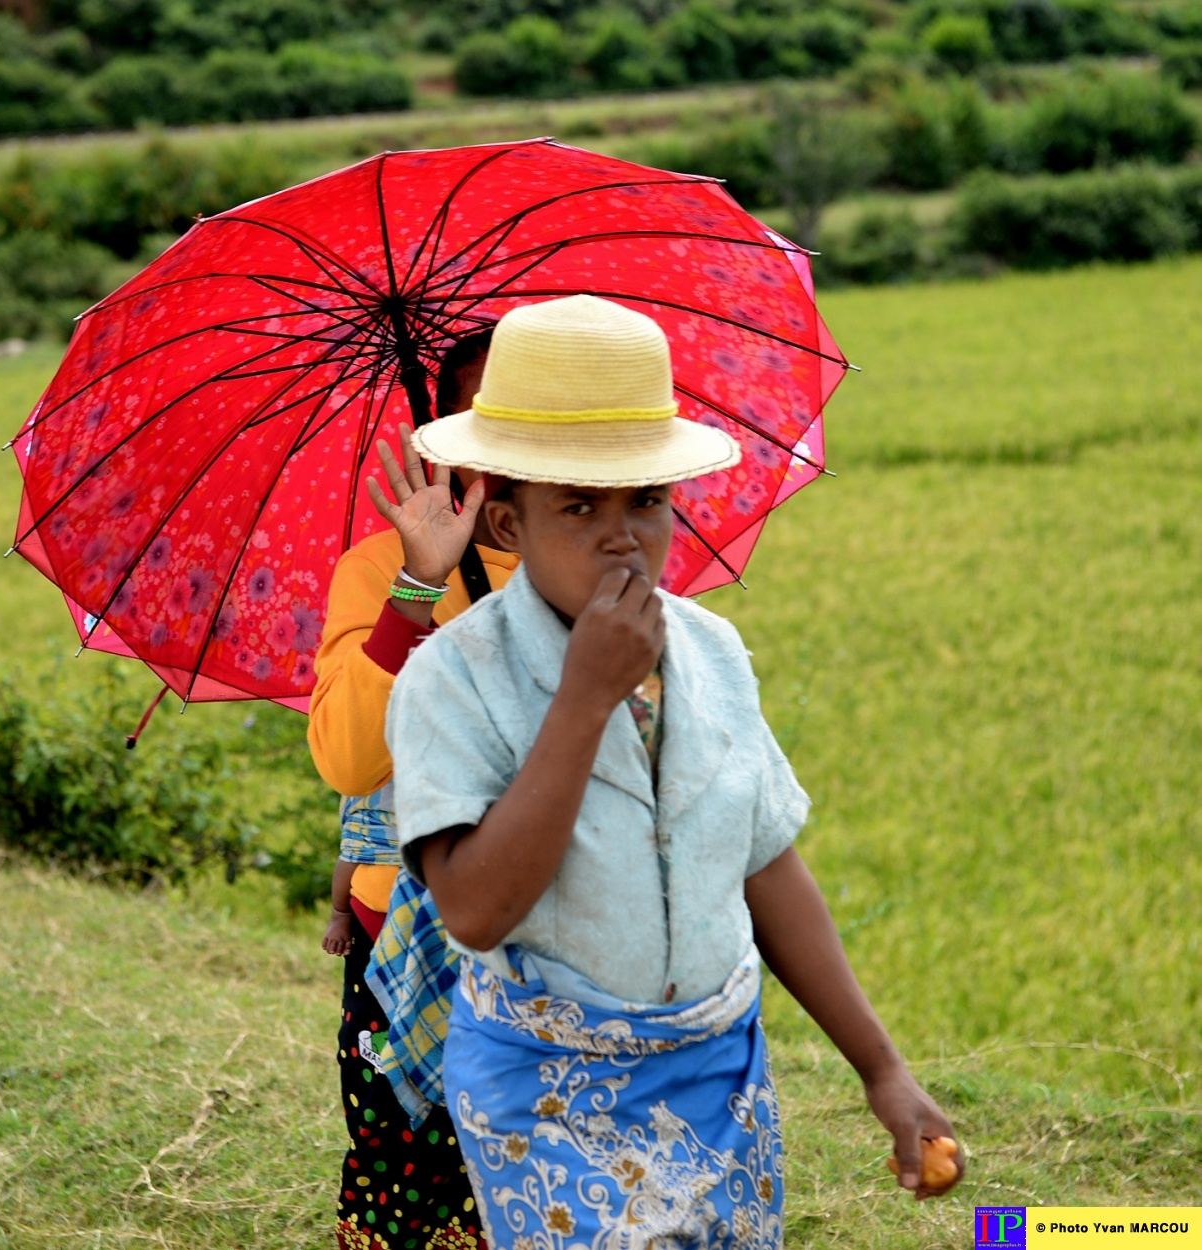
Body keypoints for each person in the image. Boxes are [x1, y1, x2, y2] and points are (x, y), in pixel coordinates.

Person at [386, 295, 963, 1249]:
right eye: (577, 506)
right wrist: (582, 700)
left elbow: (765, 863)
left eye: (645, 502)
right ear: (504, 525)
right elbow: (474, 911)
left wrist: (882, 1070)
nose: (622, 537)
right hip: (546, 1101)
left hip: (715, 1078)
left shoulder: (712, 653)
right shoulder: (450, 680)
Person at [309, 330, 519, 1250]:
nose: (503, 440)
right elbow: (350, 762)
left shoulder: (592, 563)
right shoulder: (377, 572)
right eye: (479, 414)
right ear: (442, 433)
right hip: (400, 926)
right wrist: (416, 585)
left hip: (546, 925)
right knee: (406, 1165)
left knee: (524, 1162)